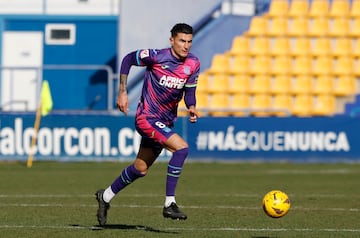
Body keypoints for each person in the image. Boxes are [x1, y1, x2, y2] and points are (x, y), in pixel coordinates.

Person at [95, 23, 200, 226]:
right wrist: (122, 91)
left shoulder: (193, 64)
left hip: (166, 121)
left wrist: (192, 106)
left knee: (140, 168)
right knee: (182, 149)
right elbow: (127, 59)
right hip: (147, 118)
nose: (186, 46)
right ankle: (170, 203)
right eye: (181, 41)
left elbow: (190, 91)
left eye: (189, 42)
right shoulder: (156, 56)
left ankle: (105, 196)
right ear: (172, 40)